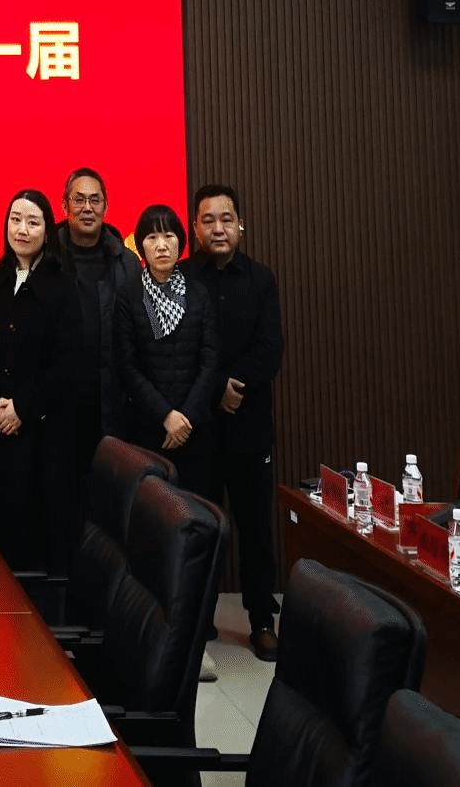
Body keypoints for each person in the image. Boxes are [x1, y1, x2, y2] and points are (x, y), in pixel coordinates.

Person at [190, 184, 284, 663]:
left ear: (240, 225)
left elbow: (271, 348)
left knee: (255, 531)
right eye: (208, 220)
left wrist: (235, 384)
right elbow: (178, 351)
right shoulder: (183, 278)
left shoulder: (261, 279)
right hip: (201, 429)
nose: (218, 228)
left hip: (249, 428)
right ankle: (199, 617)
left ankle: (261, 621)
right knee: (202, 527)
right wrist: (214, 390)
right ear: (195, 229)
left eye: (226, 219)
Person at [0, 188, 81, 570]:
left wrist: (22, 407)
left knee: (36, 537)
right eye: (15, 220)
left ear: (47, 232)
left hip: (42, 432)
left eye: (32, 222)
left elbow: (67, 364)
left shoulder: (63, 287)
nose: (22, 229)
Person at [111, 203, 218, 496]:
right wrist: (165, 415)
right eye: (152, 237)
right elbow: (126, 365)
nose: (161, 245)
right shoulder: (128, 296)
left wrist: (185, 417)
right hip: (148, 427)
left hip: (194, 427)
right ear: (140, 246)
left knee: (198, 508)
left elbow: (210, 360)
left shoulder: (199, 293)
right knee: (152, 510)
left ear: (180, 242)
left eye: (169, 236)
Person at [52, 166, 139, 496]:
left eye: (95, 200)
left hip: (113, 405)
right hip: (59, 405)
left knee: (110, 499)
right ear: (65, 205)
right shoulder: (47, 257)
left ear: (106, 206)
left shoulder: (127, 262)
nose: (87, 208)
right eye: (79, 200)